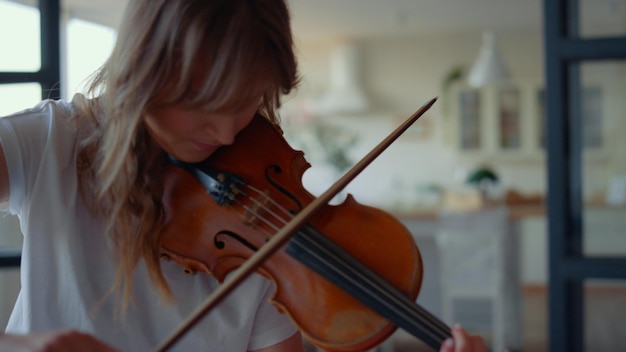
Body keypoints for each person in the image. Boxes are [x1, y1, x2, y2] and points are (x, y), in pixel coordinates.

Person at [0, 1, 487, 351]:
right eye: (204, 104)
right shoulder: (52, 142)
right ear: (143, 70)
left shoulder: (265, 232)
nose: (229, 132)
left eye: (247, 101)